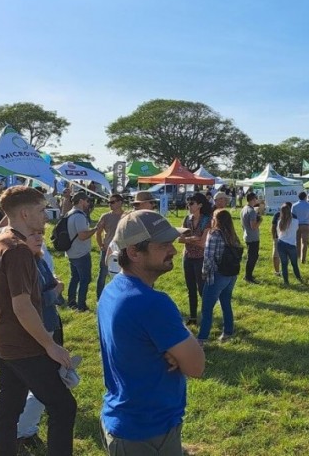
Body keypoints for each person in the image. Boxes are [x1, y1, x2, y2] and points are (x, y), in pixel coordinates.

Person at [98, 210, 205, 454]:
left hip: (124, 419)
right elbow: (196, 366)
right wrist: (182, 348)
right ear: (134, 252)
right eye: (164, 245)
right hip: (147, 431)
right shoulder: (153, 303)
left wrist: (174, 349)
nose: (174, 251)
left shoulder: (113, 289)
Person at [0, 186, 76, 455]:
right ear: (24, 214)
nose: (46, 216)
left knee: (9, 410)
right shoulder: (17, 250)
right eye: (41, 210)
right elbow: (22, 306)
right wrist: (50, 345)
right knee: (63, 406)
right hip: (24, 346)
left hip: (2, 342)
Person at [15, 232, 66, 452]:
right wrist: (56, 291)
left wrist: (56, 289)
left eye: (40, 234)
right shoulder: (24, 265)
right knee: (43, 383)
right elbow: (34, 301)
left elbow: (52, 287)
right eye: (32, 235)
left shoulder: (39, 259)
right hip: (39, 329)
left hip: (50, 324)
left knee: (40, 383)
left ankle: (24, 429)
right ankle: (22, 431)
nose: (39, 238)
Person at [198, 209, 242, 344]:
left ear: (216, 220)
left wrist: (204, 274)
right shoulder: (232, 235)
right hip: (231, 274)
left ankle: (202, 338)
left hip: (217, 274)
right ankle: (228, 332)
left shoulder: (215, 234)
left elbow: (208, 257)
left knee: (207, 308)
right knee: (226, 303)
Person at [180, 193, 212, 325]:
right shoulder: (187, 219)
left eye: (191, 203)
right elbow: (180, 239)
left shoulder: (207, 220)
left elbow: (203, 243)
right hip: (188, 257)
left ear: (200, 205)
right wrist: (194, 238)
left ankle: (206, 316)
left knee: (202, 289)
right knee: (190, 289)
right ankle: (193, 317)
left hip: (201, 258)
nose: (189, 205)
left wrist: (189, 240)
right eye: (188, 203)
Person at [64, 191, 98, 312]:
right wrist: (96, 229)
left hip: (71, 251)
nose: (88, 203)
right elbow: (82, 235)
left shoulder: (69, 213)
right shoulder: (79, 216)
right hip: (80, 253)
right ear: (81, 201)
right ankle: (81, 306)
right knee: (85, 279)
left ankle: (71, 302)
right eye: (87, 201)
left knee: (75, 277)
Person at [96, 194, 124, 299]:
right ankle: (100, 298)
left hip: (122, 251)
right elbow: (98, 233)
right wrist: (101, 246)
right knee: (102, 275)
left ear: (120, 202)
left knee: (121, 275)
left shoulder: (126, 216)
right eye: (109, 202)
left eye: (112, 202)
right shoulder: (105, 216)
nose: (110, 204)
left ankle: (118, 297)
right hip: (107, 250)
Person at [276, 202, 304, 285]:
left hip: (281, 243)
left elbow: (278, 233)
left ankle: (286, 281)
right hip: (291, 244)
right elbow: (296, 229)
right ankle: (299, 278)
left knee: (284, 264)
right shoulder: (295, 221)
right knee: (294, 263)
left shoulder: (280, 222)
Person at [241, 192, 262, 284]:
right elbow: (253, 226)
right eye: (255, 199)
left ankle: (248, 275)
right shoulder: (252, 211)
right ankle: (248, 276)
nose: (256, 201)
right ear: (253, 199)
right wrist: (260, 220)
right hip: (253, 237)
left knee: (251, 256)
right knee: (253, 257)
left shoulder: (244, 209)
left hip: (247, 235)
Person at [292, 192, 309, 263]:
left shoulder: (294, 205)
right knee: (304, 242)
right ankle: (303, 259)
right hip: (305, 225)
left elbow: (292, 217)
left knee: (297, 242)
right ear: (305, 197)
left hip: (297, 225)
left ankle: (298, 257)